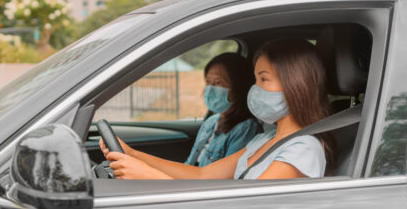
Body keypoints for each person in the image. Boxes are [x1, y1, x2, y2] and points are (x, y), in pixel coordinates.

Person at [99, 38, 337, 179]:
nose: (254, 90)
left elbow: (244, 204)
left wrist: (149, 177)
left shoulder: (304, 149)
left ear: (295, 85)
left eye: (264, 79)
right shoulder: (264, 140)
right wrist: (132, 154)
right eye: (255, 80)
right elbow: (202, 175)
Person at [185, 53, 261, 167]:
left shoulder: (246, 129)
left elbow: (225, 178)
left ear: (238, 87)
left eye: (218, 83)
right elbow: (189, 164)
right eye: (208, 82)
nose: (210, 89)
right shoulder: (210, 123)